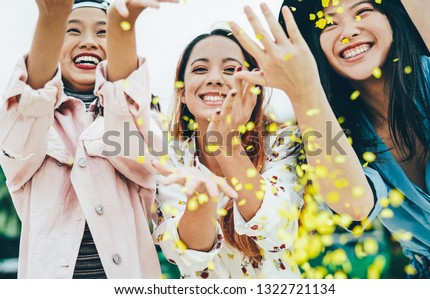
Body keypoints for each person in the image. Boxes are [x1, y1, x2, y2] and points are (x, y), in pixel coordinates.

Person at [266, 0, 430, 278]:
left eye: (363, 11)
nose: (348, 31)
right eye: (327, 23)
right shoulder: (331, 132)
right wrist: (302, 90)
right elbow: (355, 205)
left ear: (392, 19)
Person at [0, 0, 177, 278]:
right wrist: (51, 18)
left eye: (103, 32)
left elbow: (126, 120)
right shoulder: (31, 125)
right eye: (71, 30)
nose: (89, 41)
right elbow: (28, 106)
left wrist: (125, 23)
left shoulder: (145, 121)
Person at [151, 28, 304, 278]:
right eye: (200, 69)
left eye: (231, 70)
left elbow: (278, 233)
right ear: (182, 92)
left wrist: (227, 144)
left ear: (252, 88)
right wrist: (202, 199)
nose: (214, 78)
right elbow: (185, 256)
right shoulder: (170, 158)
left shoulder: (282, 144)